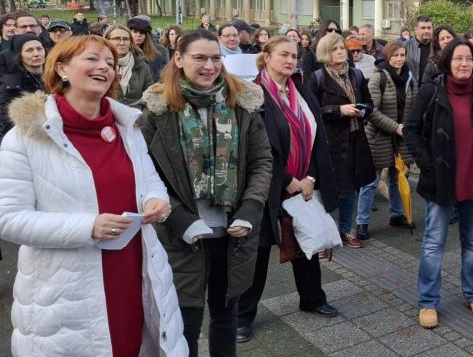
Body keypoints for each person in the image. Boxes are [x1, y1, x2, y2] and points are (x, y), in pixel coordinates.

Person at [0, 35, 184, 356]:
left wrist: (156, 201)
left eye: (110, 63)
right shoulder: (25, 137)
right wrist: (88, 227)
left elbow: (150, 183)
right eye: (92, 59)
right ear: (61, 69)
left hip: (133, 269)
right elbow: (8, 219)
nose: (104, 67)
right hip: (66, 287)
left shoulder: (128, 126)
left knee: (133, 345)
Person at [139, 28, 273, 356]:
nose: (209, 66)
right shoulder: (157, 112)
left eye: (215, 58)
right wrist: (181, 219)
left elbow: (261, 162)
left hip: (233, 234)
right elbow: (143, 174)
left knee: (226, 318)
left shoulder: (242, 104)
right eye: (199, 58)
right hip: (181, 237)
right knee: (186, 323)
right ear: (179, 59)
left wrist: (251, 209)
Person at [236, 36, 340, 343]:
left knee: (305, 244)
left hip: (304, 183)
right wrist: (285, 179)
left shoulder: (302, 91)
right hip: (267, 188)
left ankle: (312, 299)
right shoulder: (251, 94)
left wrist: (310, 177)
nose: (290, 60)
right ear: (265, 56)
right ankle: (243, 316)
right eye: (283, 54)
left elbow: (317, 139)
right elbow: (252, 147)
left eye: (294, 55)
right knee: (256, 254)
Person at [404, 39, 473, 330]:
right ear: (448, 62)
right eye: (458, 58)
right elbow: (411, 131)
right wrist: (427, 164)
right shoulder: (431, 91)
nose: (464, 63)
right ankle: (427, 301)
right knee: (434, 243)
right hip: (441, 180)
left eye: (469, 58)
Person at [309, 32, 375, 249]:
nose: (341, 52)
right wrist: (338, 110)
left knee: (352, 188)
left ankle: (345, 230)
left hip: (355, 139)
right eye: (335, 49)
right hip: (329, 144)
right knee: (327, 190)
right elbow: (311, 111)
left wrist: (362, 111)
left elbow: (370, 104)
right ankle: (324, 237)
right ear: (325, 53)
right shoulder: (317, 78)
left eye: (342, 48)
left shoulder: (356, 75)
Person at [359, 40, 417, 238]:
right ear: (387, 56)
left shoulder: (410, 77)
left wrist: (409, 127)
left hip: (401, 137)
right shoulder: (378, 78)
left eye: (402, 55)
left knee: (397, 177)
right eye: (395, 55)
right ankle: (362, 223)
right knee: (370, 182)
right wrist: (395, 127)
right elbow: (371, 111)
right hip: (378, 136)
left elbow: (415, 106)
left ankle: (397, 214)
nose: (399, 59)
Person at [0, 34, 46, 138]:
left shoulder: (57, 77)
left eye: (39, 49)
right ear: (20, 55)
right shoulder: (11, 84)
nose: (36, 54)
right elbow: (6, 123)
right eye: (29, 50)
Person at [105, 24, 154, 107]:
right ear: (107, 41)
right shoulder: (100, 66)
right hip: (109, 115)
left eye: (126, 39)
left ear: (131, 42)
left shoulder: (141, 66)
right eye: (116, 38)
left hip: (136, 116)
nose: (122, 43)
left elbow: (150, 96)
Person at [128, 17, 170, 82]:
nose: (138, 35)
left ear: (146, 35)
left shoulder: (159, 51)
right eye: (135, 32)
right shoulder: (123, 50)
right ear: (129, 33)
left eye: (142, 32)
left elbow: (165, 73)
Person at [405, 16, 434, 86]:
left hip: (433, 91)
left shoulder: (437, 46)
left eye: (429, 28)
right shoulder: (405, 46)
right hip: (412, 90)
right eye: (423, 28)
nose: (426, 31)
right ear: (416, 30)